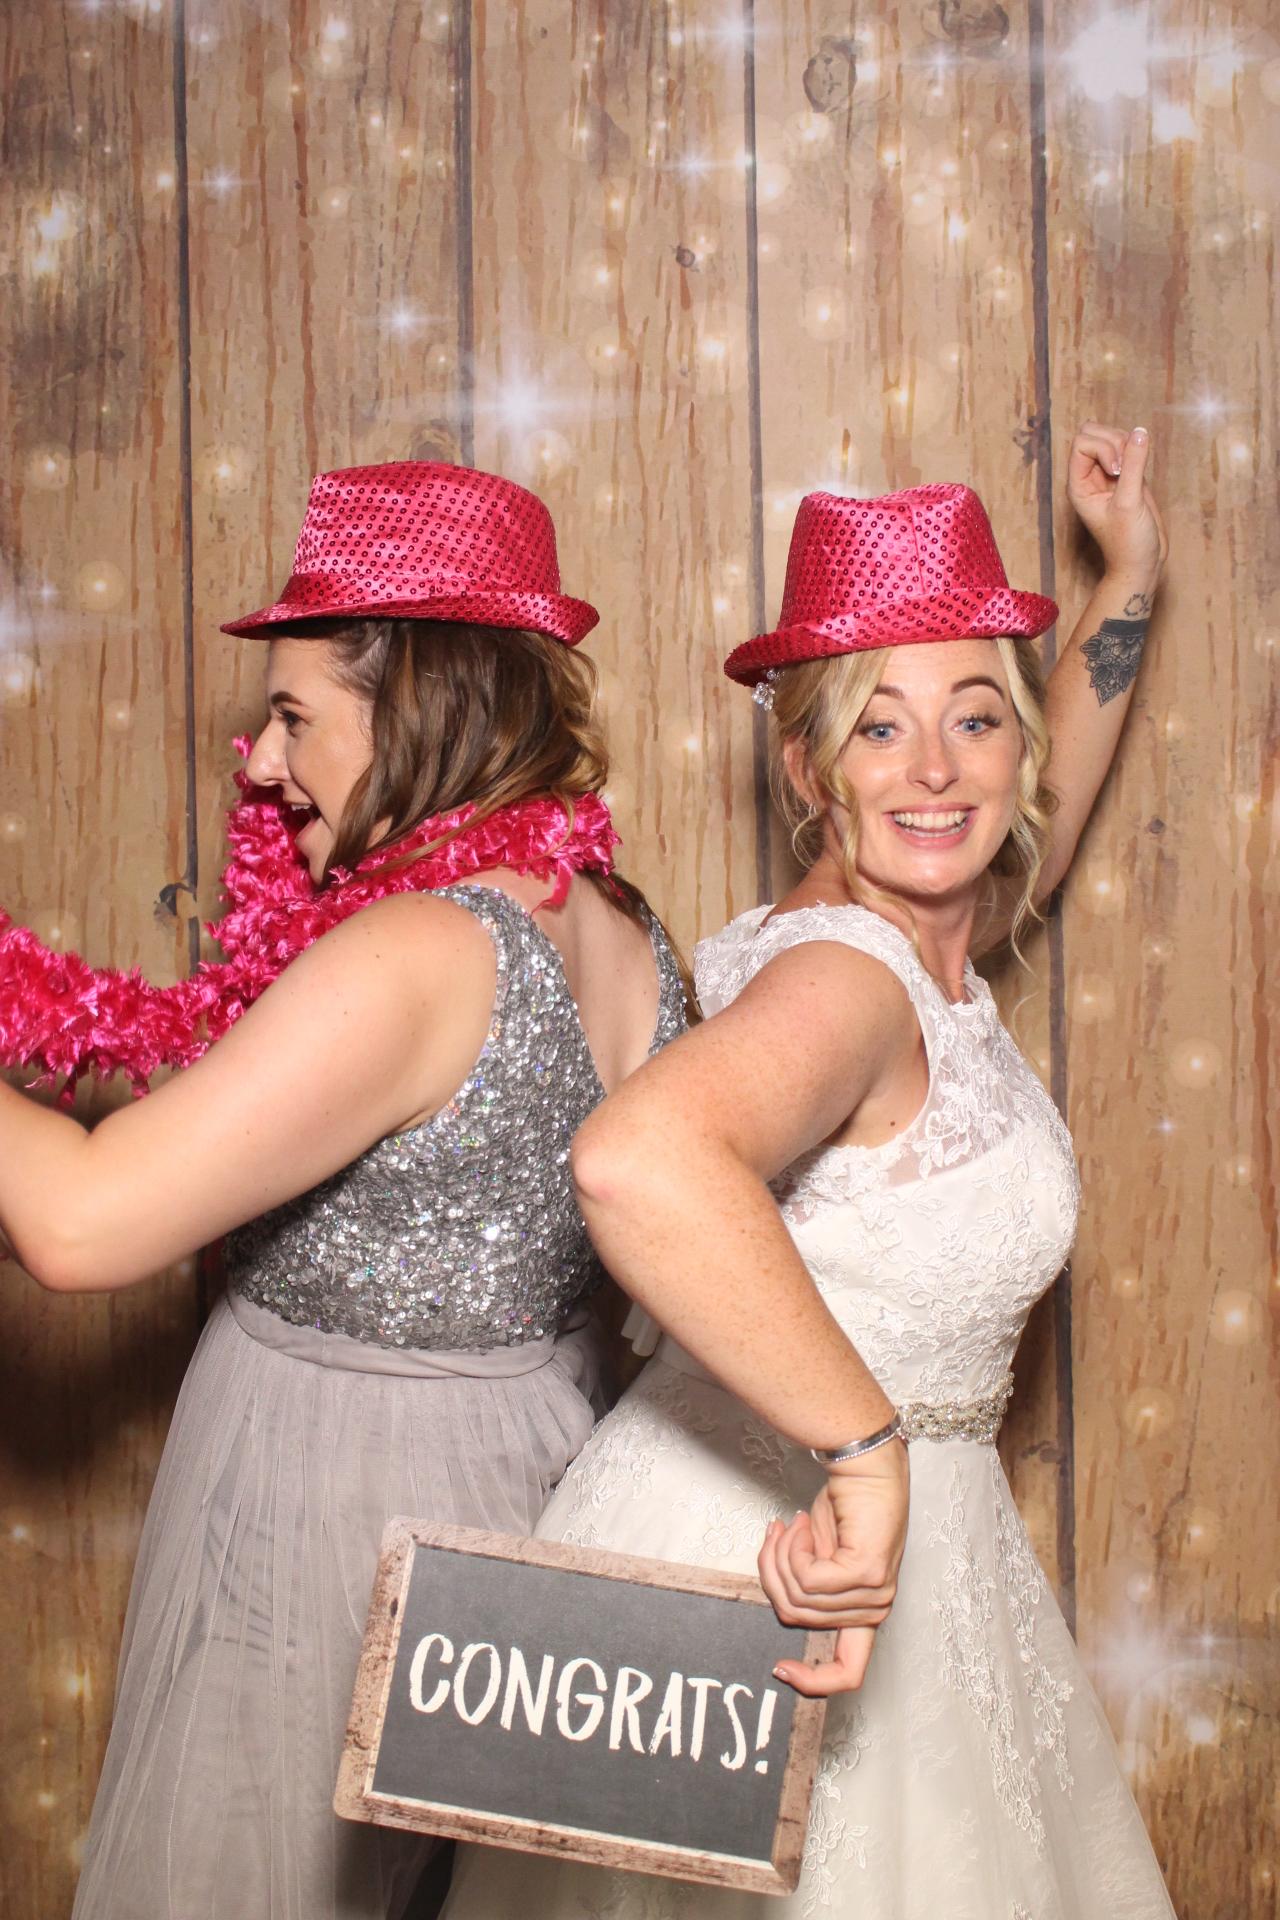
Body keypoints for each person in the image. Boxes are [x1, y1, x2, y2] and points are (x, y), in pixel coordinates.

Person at [442, 425, 1177, 1917]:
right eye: (879, 730)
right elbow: (637, 1160)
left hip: (858, 1544)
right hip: (784, 1559)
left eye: (977, 721)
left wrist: (1128, 582)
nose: (936, 769)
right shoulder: (847, 982)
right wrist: (868, 1451)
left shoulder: (920, 933)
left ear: (1023, 752)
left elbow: (1015, 830)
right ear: (806, 765)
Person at [0, 460, 687, 1920]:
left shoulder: (417, 952)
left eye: (297, 715)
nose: (260, 762)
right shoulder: (626, 926)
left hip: (331, 1509)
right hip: (528, 1474)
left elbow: (78, 1224)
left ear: (420, 698)